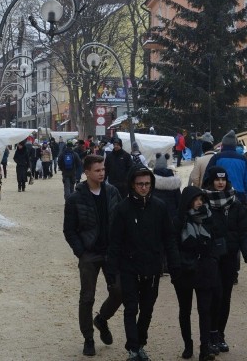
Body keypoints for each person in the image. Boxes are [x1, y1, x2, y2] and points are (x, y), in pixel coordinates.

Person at [106, 167, 181, 360]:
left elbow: (169, 238)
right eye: (140, 184)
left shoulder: (159, 207)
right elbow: (114, 241)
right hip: (129, 267)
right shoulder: (122, 209)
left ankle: (140, 343)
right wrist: (111, 271)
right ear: (133, 184)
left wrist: (174, 264)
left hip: (153, 267)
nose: (144, 188)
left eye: (147, 184)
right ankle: (133, 348)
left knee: (147, 310)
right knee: (131, 308)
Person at [63, 154, 123, 357]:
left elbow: (121, 219)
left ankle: (102, 319)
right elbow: (68, 230)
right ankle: (88, 338)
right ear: (86, 172)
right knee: (87, 297)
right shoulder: (75, 198)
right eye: (97, 170)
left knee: (119, 291)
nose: (102, 173)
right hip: (89, 253)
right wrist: (80, 251)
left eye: (103, 169)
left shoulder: (113, 192)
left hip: (111, 252)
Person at [202, 166, 247, 353]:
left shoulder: (235, 203)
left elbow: (244, 231)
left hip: (230, 257)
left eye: (223, 180)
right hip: (210, 258)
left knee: (225, 297)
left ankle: (220, 334)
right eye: (217, 180)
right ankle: (209, 334)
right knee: (213, 295)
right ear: (211, 181)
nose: (220, 183)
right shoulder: (204, 202)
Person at [173, 186, 221, 361]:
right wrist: (176, 266)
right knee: (185, 310)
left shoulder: (208, 217)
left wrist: (213, 260)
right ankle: (188, 345)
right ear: (187, 201)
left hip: (205, 269)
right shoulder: (178, 220)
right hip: (184, 271)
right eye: (196, 199)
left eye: (201, 199)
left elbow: (216, 239)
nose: (199, 202)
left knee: (205, 310)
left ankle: (204, 348)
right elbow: (172, 245)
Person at [207, 130, 247, 207]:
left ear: (223, 144)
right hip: (239, 196)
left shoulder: (216, 158)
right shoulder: (243, 159)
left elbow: (207, 177)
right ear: (235, 145)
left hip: (219, 197)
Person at [151, 153, 181, 223]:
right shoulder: (174, 181)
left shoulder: (151, 181)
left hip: (156, 215)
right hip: (172, 214)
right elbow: (179, 200)